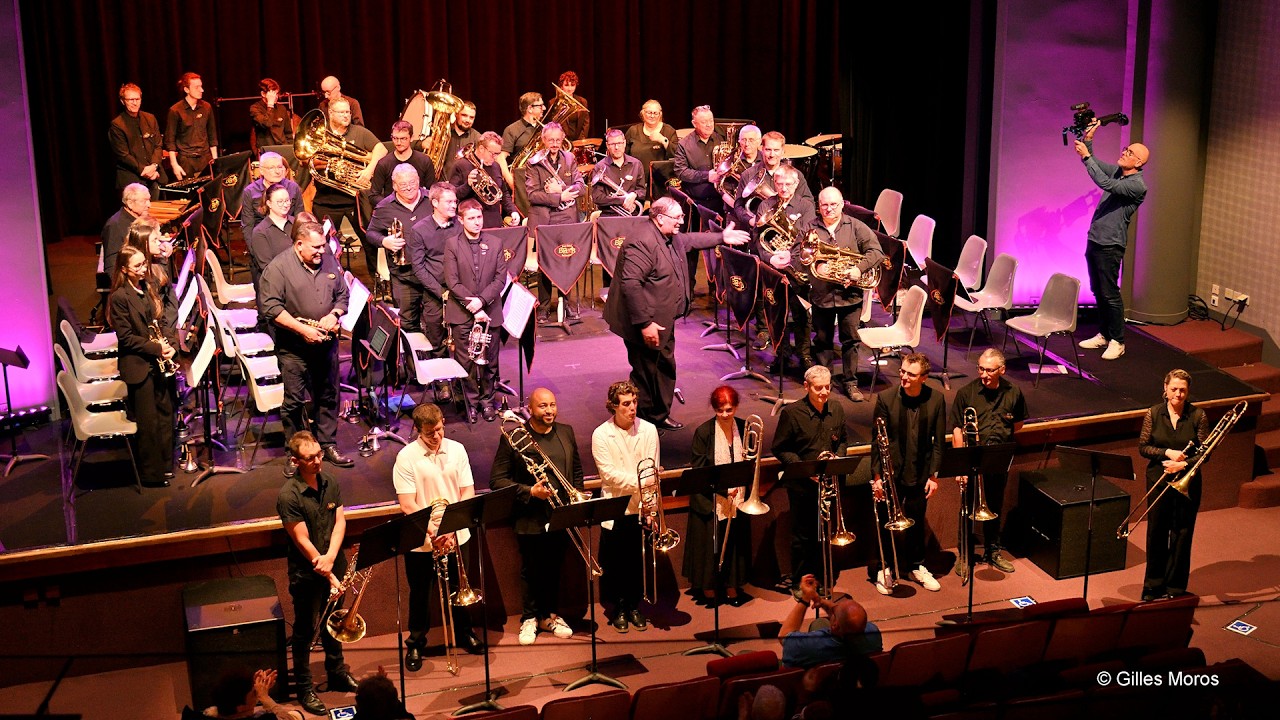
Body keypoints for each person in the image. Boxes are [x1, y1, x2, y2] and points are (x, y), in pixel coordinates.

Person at [603, 197, 749, 430]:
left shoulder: (668, 235)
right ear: (660, 218)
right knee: (645, 372)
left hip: (662, 319)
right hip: (643, 322)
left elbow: (690, 240)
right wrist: (645, 323)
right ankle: (643, 420)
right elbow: (631, 284)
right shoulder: (641, 242)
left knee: (663, 366)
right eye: (678, 217)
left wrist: (722, 238)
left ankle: (658, 414)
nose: (682, 221)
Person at [489, 388, 585, 645]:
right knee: (531, 569)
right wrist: (530, 491)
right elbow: (497, 481)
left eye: (553, 405)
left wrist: (577, 493)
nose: (550, 411)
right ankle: (529, 617)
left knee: (554, 567)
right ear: (530, 409)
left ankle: (550, 615)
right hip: (529, 515)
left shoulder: (566, 432)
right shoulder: (514, 438)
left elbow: (575, 469)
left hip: (560, 513)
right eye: (543, 406)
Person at [392, 403, 483, 671]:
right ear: (418, 431)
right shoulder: (406, 457)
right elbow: (407, 504)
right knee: (420, 594)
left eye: (440, 429)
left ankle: (465, 633)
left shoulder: (457, 449)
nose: (436, 437)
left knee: (459, 590)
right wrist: (434, 531)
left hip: (456, 535)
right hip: (422, 541)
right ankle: (416, 644)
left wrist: (453, 526)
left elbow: (467, 491)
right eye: (430, 432)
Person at [259, 222, 355, 471]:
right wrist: (304, 330)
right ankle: (296, 454)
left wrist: (334, 314)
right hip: (294, 348)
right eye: (316, 247)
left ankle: (327, 443)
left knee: (328, 395)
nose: (321, 251)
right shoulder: (277, 268)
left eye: (323, 246)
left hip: (326, 344)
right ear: (299, 244)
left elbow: (343, 294)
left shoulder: (329, 259)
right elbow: (271, 309)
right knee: (293, 402)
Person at [275, 431, 360, 716]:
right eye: (310, 458)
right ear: (295, 461)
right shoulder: (289, 495)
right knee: (305, 630)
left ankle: (336, 671)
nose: (317, 462)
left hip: (333, 562)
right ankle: (304, 687)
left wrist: (332, 559)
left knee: (336, 622)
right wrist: (322, 564)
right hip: (307, 571)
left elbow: (340, 522)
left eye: (319, 456)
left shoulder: (330, 482)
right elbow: (300, 538)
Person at [948, 348, 1028, 581]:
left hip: (998, 458)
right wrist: (960, 465)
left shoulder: (1014, 392)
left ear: (1002, 370)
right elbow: (956, 428)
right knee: (967, 507)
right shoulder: (967, 393)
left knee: (995, 505)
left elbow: (1019, 424)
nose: (984, 374)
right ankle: (965, 553)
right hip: (973, 458)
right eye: (981, 368)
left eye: (989, 370)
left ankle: (993, 550)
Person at [870, 352, 946, 594]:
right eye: (902, 371)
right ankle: (886, 567)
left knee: (916, 520)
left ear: (923, 377)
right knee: (886, 522)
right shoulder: (886, 398)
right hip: (891, 473)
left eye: (910, 374)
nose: (903, 377)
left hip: (919, 472)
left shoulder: (936, 399)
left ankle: (916, 566)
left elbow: (938, 443)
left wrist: (933, 475)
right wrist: (878, 477)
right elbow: (877, 441)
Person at [1073, 121, 1149, 361]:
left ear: (1138, 162)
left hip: (1111, 245)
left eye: (1129, 153)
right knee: (1097, 290)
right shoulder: (1119, 171)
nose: (1124, 153)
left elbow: (1104, 182)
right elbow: (1096, 163)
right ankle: (1104, 334)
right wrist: (1089, 139)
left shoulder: (1137, 185)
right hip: (1095, 240)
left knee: (1110, 293)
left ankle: (1118, 340)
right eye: (1125, 149)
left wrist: (1086, 158)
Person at [771, 366, 849, 594]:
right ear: (806, 387)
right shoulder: (792, 413)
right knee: (803, 537)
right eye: (818, 388)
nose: (824, 392)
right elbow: (780, 448)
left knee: (825, 533)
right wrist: (806, 470)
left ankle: (822, 577)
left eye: (827, 387)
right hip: (803, 486)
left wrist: (837, 458)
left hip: (829, 484)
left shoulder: (836, 408)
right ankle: (801, 583)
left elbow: (843, 440)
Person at [592, 380, 660, 633]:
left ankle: (634, 606)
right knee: (615, 562)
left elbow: (652, 467)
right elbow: (609, 475)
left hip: (641, 506)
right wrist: (642, 480)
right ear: (614, 406)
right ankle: (618, 607)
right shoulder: (601, 434)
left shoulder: (649, 430)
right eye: (626, 404)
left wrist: (649, 501)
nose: (632, 409)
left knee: (636, 560)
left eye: (634, 402)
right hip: (615, 508)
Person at [1137, 368, 1208, 601]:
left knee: (1182, 532)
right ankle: (1153, 586)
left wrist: (1184, 464)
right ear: (1165, 389)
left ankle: (1175, 587)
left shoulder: (1198, 416)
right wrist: (1166, 452)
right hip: (1158, 479)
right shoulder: (1154, 414)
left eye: (1183, 390)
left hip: (1188, 482)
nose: (1178, 394)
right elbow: (1143, 447)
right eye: (1174, 389)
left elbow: (1205, 452)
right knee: (1156, 532)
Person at [108, 244, 176, 488]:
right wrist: (157, 348)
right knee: (148, 422)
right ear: (125, 270)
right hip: (138, 365)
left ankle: (167, 465)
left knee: (166, 414)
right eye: (137, 265)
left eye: (143, 263)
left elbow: (160, 318)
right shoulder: (119, 298)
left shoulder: (147, 287)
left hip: (158, 361)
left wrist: (168, 342)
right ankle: (151, 474)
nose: (143, 268)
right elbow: (126, 338)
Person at [808, 187, 885, 401]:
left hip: (849, 296)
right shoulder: (810, 228)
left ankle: (850, 383)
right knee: (822, 340)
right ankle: (824, 381)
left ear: (842, 204)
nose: (829, 208)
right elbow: (799, 256)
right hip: (822, 295)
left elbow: (877, 253)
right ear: (818, 205)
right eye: (825, 204)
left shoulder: (856, 227)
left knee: (850, 340)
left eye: (834, 204)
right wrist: (816, 266)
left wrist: (858, 269)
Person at [687, 385, 752, 605]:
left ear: (736, 407)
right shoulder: (704, 432)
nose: (724, 415)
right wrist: (724, 489)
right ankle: (709, 588)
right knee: (711, 546)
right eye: (720, 410)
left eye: (729, 410)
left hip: (739, 497)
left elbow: (751, 461)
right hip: (709, 498)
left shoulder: (745, 427)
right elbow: (700, 471)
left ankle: (732, 585)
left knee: (734, 543)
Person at [308, 98, 385, 280]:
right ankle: (324, 280)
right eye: (341, 112)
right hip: (326, 199)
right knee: (322, 242)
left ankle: (378, 282)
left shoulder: (359, 132)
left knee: (369, 239)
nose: (346, 115)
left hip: (353, 200)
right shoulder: (321, 134)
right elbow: (307, 161)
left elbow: (381, 149)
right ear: (331, 114)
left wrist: (368, 170)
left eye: (348, 112)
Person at [444, 200, 505, 422]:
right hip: (463, 312)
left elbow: (500, 278)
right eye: (470, 218)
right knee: (466, 361)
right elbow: (452, 281)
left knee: (490, 361)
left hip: (489, 311)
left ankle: (488, 402)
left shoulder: (496, 243)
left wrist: (481, 301)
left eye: (478, 217)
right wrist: (473, 306)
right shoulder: (452, 244)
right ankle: (470, 402)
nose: (476, 222)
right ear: (460, 220)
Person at [754, 164, 817, 375]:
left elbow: (806, 238)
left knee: (801, 313)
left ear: (796, 183)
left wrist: (791, 256)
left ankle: (804, 353)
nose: (783, 188)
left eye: (788, 184)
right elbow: (758, 239)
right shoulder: (765, 205)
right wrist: (771, 258)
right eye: (779, 183)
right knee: (776, 313)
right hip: (774, 269)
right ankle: (781, 353)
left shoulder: (806, 206)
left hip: (797, 267)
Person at [524, 122, 585, 319]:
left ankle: (565, 302)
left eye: (558, 140)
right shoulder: (533, 163)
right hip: (545, 220)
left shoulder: (569, 158)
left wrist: (563, 192)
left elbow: (581, 186)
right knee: (545, 263)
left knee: (567, 259)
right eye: (551, 140)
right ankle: (543, 306)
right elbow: (532, 195)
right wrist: (558, 198)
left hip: (567, 218)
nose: (555, 144)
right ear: (543, 140)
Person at [366, 165, 432, 337]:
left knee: (434, 322)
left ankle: (435, 360)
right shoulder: (384, 207)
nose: (409, 187)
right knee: (407, 323)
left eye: (412, 182)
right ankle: (412, 361)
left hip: (432, 271)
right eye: (403, 185)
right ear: (394, 185)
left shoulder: (433, 199)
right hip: (404, 275)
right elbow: (371, 233)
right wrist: (384, 241)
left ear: (419, 181)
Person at [405, 182, 459, 370]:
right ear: (434, 203)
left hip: (461, 290)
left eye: (455, 201)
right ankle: (442, 380)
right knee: (436, 338)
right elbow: (418, 267)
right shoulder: (419, 230)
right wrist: (441, 292)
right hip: (435, 292)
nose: (454, 205)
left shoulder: (460, 225)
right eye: (448, 201)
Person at [673, 105, 727, 292]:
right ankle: (688, 291)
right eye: (704, 122)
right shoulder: (684, 144)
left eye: (711, 121)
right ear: (694, 123)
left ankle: (717, 291)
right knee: (692, 249)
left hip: (718, 203)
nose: (708, 125)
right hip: (695, 205)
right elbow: (680, 172)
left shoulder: (720, 140)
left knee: (717, 248)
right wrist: (707, 176)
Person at [779, 574, 882, 669]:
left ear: (835, 625)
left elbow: (783, 636)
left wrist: (805, 599)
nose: (832, 607)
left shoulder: (804, 647)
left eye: (835, 609)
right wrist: (820, 601)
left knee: (819, 623)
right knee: (819, 623)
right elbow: (842, 617)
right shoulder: (873, 633)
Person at [735, 131, 815, 228]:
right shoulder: (748, 175)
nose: (772, 154)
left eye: (776, 150)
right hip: (760, 229)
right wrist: (751, 220)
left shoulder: (796, 174)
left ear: (782, 151)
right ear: (762, 149)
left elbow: (809, 202)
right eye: (768, 149)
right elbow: (739, 206)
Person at [448, 130, 520, 230]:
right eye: (493, 153)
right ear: (481, 148)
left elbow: (503, 192)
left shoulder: (496, 166)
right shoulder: (461, 165)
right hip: (471, 223)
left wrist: (512, 211)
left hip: (494, 222)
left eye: (497, 154)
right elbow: (453, 195)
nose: (495, 158)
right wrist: (468, 185)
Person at [240, 151, 303, 254]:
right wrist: (254, 252)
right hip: (263, 242)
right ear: (261, 171)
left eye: (280, 167)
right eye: (272, 168)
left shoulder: (293, 188)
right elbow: (247, 225)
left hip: (289, 243)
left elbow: (299, 219)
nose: (277, 171)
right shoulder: (250, 191)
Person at [108, 83, 165, 195]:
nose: (135, 103)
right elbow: (123, 155)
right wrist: (144, 170)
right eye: (131, 99)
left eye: (137, 99)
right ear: (123, 101)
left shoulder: (150, 118)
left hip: (154, 176)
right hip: (132, 179)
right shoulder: (117, 125)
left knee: (155, 210)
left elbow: (158, 145)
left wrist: (154, 166)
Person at [498, 91, 546, 215]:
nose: (544, 108)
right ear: (530, 108)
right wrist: (510, 180)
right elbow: (501, 157)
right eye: (540, 106)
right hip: (521, 182)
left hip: (542, 182)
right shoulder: (512, 130)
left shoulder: (544, 129)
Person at [164, 72, 218, 181]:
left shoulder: (206, 107)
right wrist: (174, 165)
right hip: (186, 160)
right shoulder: (175, 110)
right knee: (189, 194)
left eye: (201, 86)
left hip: (205, 158)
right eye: (197, 87)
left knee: (208, 193)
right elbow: (170, 140)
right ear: (186, 90)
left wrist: (216, 161)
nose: (201, 90)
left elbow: (212, 136)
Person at [369, 120, 436, 206]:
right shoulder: (383, 164)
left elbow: (432, 191)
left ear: (411, 138)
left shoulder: (424, 161)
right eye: (395, 138)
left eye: (403, 139)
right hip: (393, 211)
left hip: (419, 209)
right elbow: (373, 195)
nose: (399, 143)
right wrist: (391, 206)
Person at [203, 668, 302, 719]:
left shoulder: (210, 713)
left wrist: (253, 688)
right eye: (253, 692)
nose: (257, 691)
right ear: (240, 707)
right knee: (296, 715)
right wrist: (265, 697)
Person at [248, 183, 296, 287]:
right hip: (275, 285)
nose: (285, 204)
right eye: (280, 202)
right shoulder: (260, 232)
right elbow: (267, 268)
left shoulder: (297, 223)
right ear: (269, 203)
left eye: (287, 200)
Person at [590, 128, 646, 218]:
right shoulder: (599, 167)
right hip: (609, 217)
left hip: (633, 216)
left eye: (619, 143)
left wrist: (634, 194)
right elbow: (597, 198)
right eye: (612, 144)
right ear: (607, 145)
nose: (616, 147)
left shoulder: (636, 164)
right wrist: (622, 200)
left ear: (624, 143)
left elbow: (642, 191)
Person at [101, 183, 152, 280]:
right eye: (144, 201)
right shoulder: (115, 226)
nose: (149, 205)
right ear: (130, 203)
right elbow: (112, 266)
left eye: (149, 200)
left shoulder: (140, 218)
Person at [624, 99, 678, 179]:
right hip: (636, 178)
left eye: (655, 113)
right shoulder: (633, 130)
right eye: (649, 112)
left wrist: (663, 140)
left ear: (660, 114)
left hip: (661, 180)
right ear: (642, 113)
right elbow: (624, 154)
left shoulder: (669, 131)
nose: (652, 116)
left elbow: (678, 155)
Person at [719, 125, 762, 208]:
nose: (746, 144)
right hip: (735, 210)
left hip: (759, 208)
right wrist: (736, 206)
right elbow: (722, 187)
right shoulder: (731, 161)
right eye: (743, 140)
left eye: (751, 140)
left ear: (759, 142)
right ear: (739, 141)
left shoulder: (765, 161)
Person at [249, 78, 294, 155]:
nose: (276, 97)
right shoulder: (255, 108)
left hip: (283, 148)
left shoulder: (281, 108)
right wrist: (270, 105)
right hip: (267, 151)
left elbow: (288, 133)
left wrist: (291, 149)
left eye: (277, 94)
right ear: (263, 94)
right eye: (273, 94)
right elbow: (267, 123)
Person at [440, 100, 481, 180]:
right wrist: (423, 143)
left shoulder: (478, 138)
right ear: (456, 114)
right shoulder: (442, 133)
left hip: (464, 188)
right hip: (441, 185)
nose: (468, 120)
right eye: (464, 115)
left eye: (471, 117)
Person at [555, 70, 590, 141]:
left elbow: (586, 124)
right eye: (566, 85)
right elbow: (555, 125)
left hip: (579, 141)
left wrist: (580, 141)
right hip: (562, 141)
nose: (570, 88)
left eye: (572, 85)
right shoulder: (553, 102)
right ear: (561, 86)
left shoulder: (583, 101)